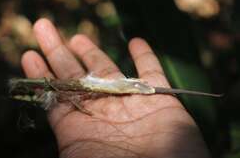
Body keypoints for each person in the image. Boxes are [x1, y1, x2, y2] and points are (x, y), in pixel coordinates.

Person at [21, 18, 211, 158]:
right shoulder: (60, 93)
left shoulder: (61, 92)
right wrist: (82, 107)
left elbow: (75, 97)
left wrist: (82, 107)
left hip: (95, 87)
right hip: (93, 88)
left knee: (135, 88)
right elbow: (74, 97)